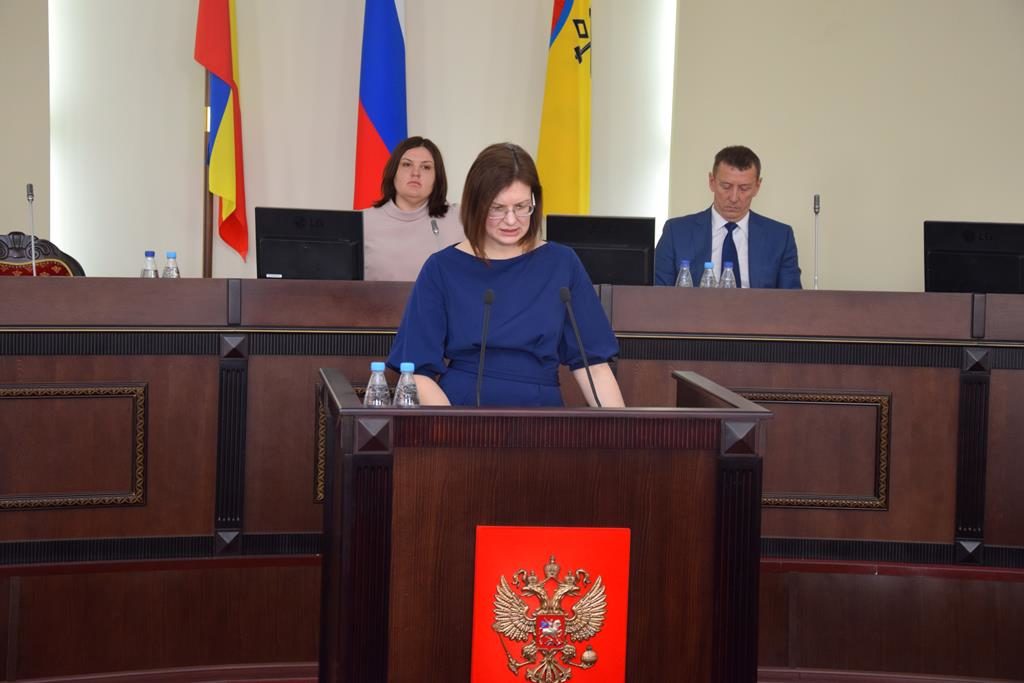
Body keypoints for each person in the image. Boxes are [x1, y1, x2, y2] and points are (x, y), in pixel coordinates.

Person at [387, 142, 625, 408]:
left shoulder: (561, 263)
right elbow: (416, 372)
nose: (511, 220)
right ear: (475, 205)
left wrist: (621, 430)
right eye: (497, 208)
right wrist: (455, 427)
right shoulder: (442, 267)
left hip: (541, 414)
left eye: (521, 206)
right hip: (461, 409)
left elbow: (593, 366)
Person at [654, 145, 802, 288]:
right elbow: (657, 295)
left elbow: (792, 299)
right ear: (712, 182)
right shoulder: (676, 233)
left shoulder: (780, 237)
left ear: (757, 186)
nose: (734, 197)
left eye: (744, 188)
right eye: (726, 186)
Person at [362, 136, 464, 281]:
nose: (415, 173)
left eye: (426, 167)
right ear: (393, 172)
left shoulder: (459, 219)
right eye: (407, 164)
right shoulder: (364, 222)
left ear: (437, 178)